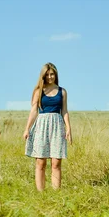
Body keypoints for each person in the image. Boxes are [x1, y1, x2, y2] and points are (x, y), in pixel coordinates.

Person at [23, 62, 72, 191]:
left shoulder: (62, 92)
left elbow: (65, 111)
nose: (50, 77)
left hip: (57, 125)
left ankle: (56, 193)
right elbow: (34, 111)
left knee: (56, 162)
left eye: (52, 74)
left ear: (56, 75)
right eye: (48, 74)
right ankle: (41, 194)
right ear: (43, 76)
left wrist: (68, 128)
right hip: (42, 125)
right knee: (41, 161)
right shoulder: (39, 91)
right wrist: (27, 128)